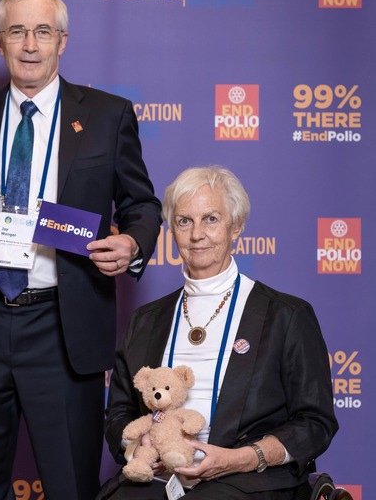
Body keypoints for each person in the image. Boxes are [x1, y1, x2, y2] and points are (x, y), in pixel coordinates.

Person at [0, 0, 162, 500]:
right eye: (17, 31)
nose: (30, 44)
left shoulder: (108, 115)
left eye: (43, 31)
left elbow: (142, 205)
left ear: (63, 40)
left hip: (62, 327)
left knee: (70, 487)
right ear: (0, 43)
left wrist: (131, 242)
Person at [99, 166, 338, 500]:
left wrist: (241, 458)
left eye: (211, 219)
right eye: (184, 221)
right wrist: (138, 443)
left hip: (246, 479)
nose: (197, 234)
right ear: (173, 231)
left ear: (236, 227)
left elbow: (316, 423)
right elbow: (120, 412)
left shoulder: (287, 316)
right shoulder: (145, 321)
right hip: (161, 476)